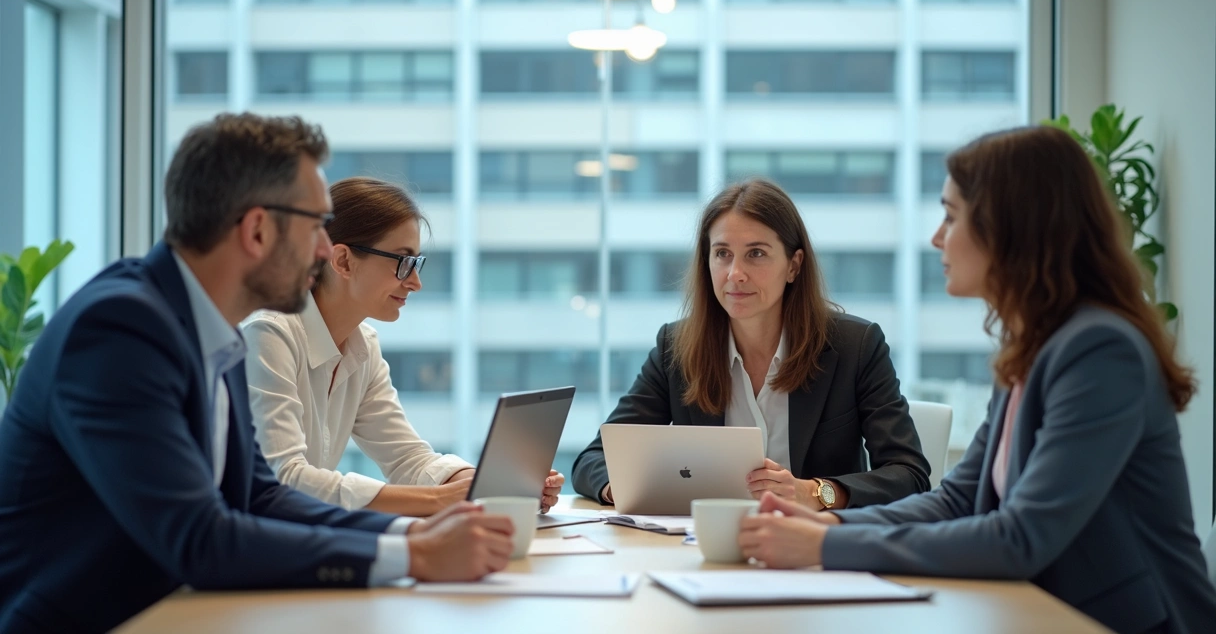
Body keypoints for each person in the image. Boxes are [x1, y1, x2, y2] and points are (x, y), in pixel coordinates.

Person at [0, 114, 514, 633]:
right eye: (315, 225)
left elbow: (260, 496)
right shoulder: (120, 329)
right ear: (258, 230)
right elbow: (199, 537)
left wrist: (410, 535)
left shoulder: (207, 326)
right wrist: (414, 557)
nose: (324, 250)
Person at [738, 126, 1216, 634]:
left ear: (1009, 227)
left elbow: (1021, 537)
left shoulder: (1099, 350)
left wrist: (827, 543)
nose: (937, 238)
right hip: (1040, 614)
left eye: (951, 216)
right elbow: (957, 501)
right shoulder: (1033, 347)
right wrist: (830, 521)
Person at [572, 179, 931, 510]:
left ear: (794, 265)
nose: (735, 274)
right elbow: (593, 460)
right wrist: (621, 487)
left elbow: (909, 475)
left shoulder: (855, 347)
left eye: (756, 253)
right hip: (704, 543)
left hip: (815, 545)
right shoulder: (676, 349)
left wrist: (815, 492)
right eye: (722, 253)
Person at [243, 176, 563, 516]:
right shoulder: (269, 334)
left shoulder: (363, 346)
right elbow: (285, 478)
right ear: (343, 261)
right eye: (402, 262)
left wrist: (491, 485)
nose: (415, 282)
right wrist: (440, 499)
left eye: (416, 263)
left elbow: (407, 458)